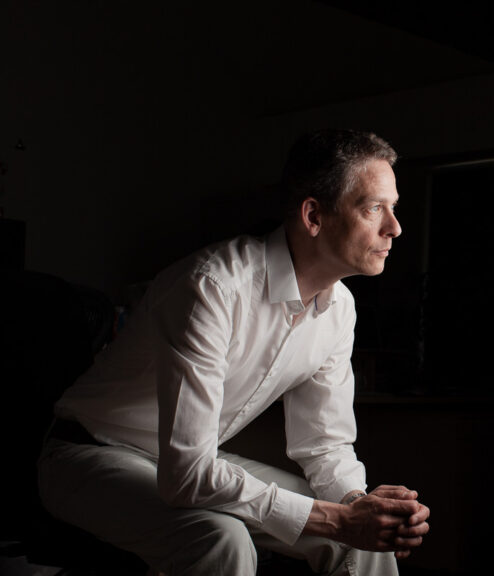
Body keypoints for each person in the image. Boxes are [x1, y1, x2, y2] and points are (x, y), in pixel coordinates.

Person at [37, 129, 430, 576]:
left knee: (364, 541)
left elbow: (324, 445)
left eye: (393, 208)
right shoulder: (213, 287)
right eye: (374, 208)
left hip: (185, 460)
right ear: (314, 215)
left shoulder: (340, 308)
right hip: (86, 455)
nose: (394, 228)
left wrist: (359, 507)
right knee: (222, 539)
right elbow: (187, 474)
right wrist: (337, 519)